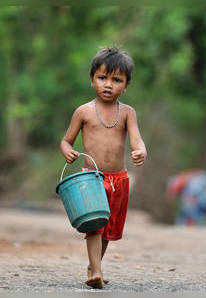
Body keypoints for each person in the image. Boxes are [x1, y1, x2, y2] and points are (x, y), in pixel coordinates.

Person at [60, 46, 147, 289]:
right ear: (92, 80)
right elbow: (66, 140)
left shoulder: (128, 113)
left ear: (126, 85)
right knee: (95, 225)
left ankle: (93, 265)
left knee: (107, 229)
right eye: (102, 78)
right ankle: (96, 270)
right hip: (92, 178)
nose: (108, 84)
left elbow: (136, 139)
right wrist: (68, 151)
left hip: (118, 179)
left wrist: (140, 150)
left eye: (116, 80)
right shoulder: (83, 112)